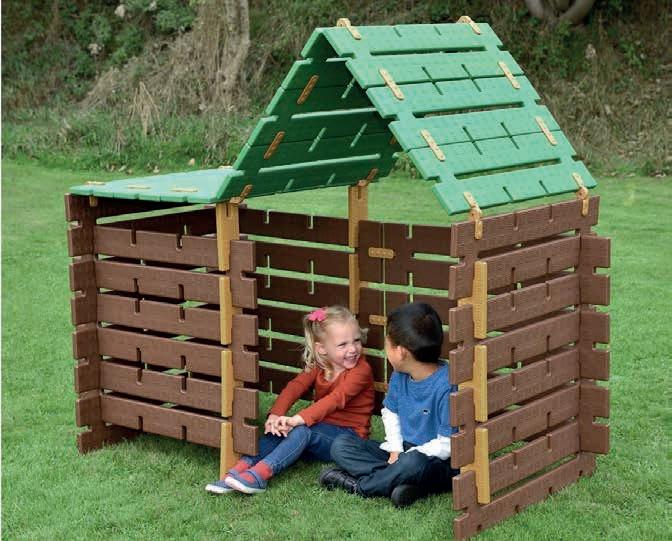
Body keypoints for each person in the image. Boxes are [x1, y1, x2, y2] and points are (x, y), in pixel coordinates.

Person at [206, 305, 374, 495]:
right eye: (343, 345)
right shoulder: (321, 365)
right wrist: (275, 415)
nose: (353, 349)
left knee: (301, 429)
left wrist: (297, 419)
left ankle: (260, 475)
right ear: (322, 349)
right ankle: (240, 469)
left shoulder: (361, 371)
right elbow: (296, 387)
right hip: (319, 429)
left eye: (356, 340)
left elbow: (335, 399)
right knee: (281, 429)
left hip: (347, 439)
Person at [320, 302, 458, 507]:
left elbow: (447, 444)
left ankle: (362, 487)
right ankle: (400, 483)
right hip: (403, 451)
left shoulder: (447, 385)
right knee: (341, 445)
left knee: (413, 464)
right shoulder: (400, 375)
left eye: (387, 344)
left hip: (436, 461)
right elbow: (390, 412)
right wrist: (395, 450)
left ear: (400, 352)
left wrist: (405, 458)